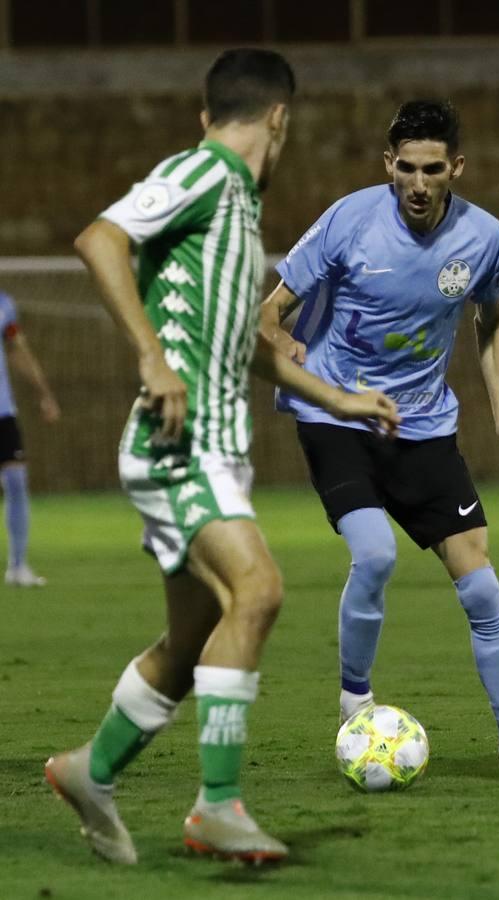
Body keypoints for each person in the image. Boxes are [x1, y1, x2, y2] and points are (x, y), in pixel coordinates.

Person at [45, 48, 397, 866]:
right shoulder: (203, 174)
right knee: (259, 589)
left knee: (193, 634)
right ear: (279, 119)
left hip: (215, 452)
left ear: (212, 111)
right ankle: (216, 807)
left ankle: (89, 773)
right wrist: (149, 356)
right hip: (179, 445)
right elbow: (99, 239)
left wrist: (338, 397)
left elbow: (246, 342)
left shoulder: (236, 208)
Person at [260, 100, 499, 788]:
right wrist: (283, 340)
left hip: (422, 427)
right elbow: (270, 311)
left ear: (455, 168)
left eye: (431, 169)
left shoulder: (482, 238)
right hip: (336, 417)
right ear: (386, 165)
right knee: (374, 553)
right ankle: (355, 702)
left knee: (481, 589)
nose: (417, 183)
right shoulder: (347, 220)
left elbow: (491, 323)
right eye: (404, 168)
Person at [0, 290, 60, 586]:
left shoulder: (5, 305)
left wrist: (44, 394)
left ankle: (18, 565)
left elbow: (17, 350)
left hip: (3, 410)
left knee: (16, 481)